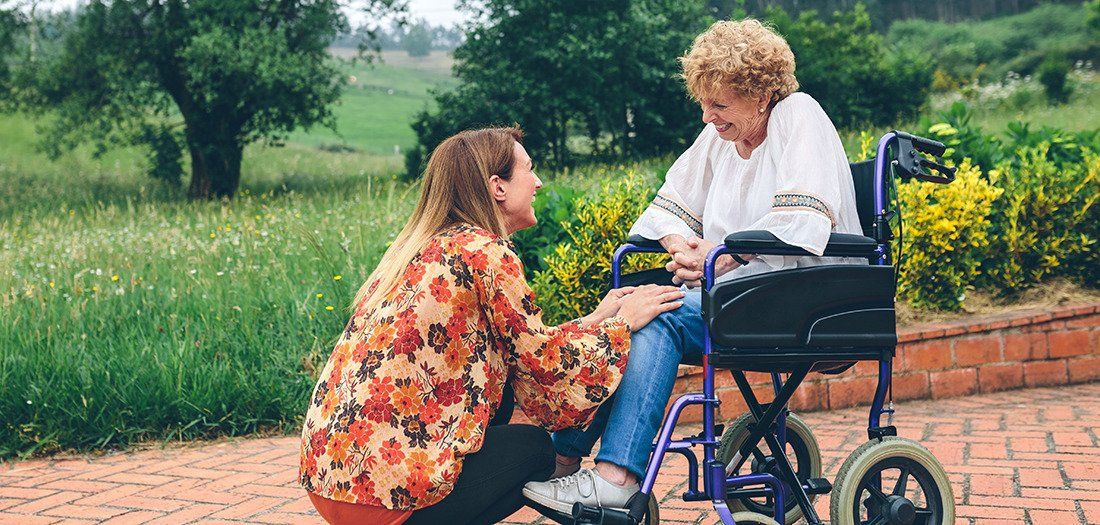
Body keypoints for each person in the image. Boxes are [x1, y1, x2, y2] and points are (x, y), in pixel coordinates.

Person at [523, 18, 865, 514]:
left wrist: (719, 254)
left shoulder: (798, 116)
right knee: (634, 308)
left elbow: (803, 220)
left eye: (720, 104)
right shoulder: (722, 138)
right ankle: (561, 462)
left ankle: (612, 479)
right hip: (742, 297)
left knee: (654, 315)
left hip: (805, 297)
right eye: (703, 103)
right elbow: (671, 203)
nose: (708, 117)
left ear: (762, 95)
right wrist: (681, 243)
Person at [298, 127, 684, 525]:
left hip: (333, 482)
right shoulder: (485, 252)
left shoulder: (422, 249)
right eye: (529, 170)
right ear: (497, 187)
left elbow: (519, 344)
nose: (537, 183)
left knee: (495, 403)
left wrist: (596, 319)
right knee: (534, 450)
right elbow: (545, 366)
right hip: (387, 499)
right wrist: (622, 326)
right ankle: (595, 493)